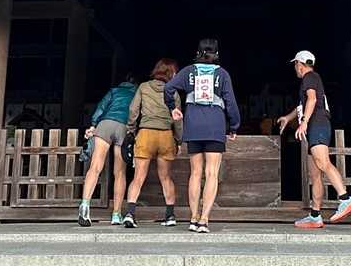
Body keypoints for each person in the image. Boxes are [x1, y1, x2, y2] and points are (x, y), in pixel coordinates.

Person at [164, 38, 240, 234]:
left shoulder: (188, 71)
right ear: (217, 54)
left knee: (195, 173)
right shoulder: (222, 74)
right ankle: (204, 220)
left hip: (193, 125)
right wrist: (234, 126)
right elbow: (230, 102)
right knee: (212, 173)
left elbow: (168, 88)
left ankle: (193, 218)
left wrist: (173, 108)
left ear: (198, 52)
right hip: (215, 126)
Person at [275, 50, 351, 228]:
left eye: (295, 65)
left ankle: (345, 198)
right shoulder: (312, 79)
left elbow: (312, 100)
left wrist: (304, 122)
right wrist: (288, 118)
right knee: (315, 174)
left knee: (323, 162)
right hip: (315, 127)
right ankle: (315, 215)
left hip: (317, 125)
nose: (295, 68)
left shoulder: (310, 77)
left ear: (299, 64)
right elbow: (304, 104)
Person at [123, 58, 182, 228]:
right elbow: (177, 119)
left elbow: (133, 110)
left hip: (146, 134)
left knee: (138, 177)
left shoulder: (143, 87)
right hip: (165, 136)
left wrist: (131, 130)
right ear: (171, 73)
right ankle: (170, 216)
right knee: (166, 177)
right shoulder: (173, 92)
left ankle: (130, 214)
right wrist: (178, 140)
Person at [77, 73, 137, 227]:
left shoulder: (114, 91)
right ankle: (116, 214)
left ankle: (85, 205)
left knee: (95, 167)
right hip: (123, 126)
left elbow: (101, 108)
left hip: (105, 124)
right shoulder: (138, 92)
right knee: (120, 173)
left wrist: (93, 125)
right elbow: (137, 112)